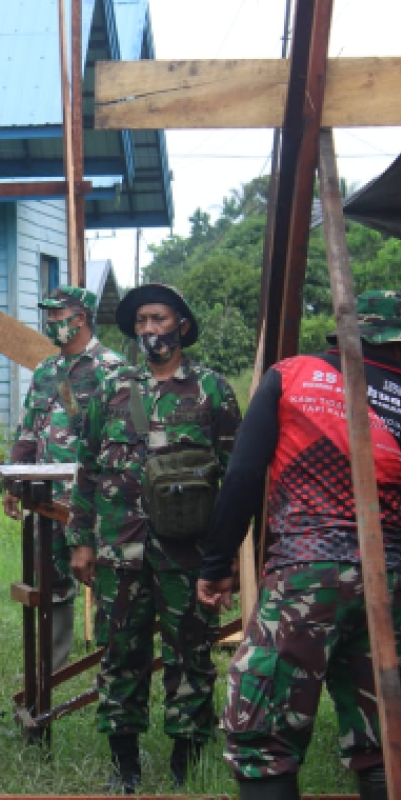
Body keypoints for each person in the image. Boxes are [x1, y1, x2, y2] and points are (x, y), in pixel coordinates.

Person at [196, 290, 401, 800]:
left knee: (262, 731)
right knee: (385, 736)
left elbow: (242, 475)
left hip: (307, 575)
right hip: (391, 579)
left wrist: (217, 563)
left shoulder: (293, 375)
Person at [66, 283, 241, 792]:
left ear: (181, 325)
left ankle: (187, 765)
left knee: (191, 653)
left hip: (188, 553)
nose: (149, 330)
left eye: (159, 319)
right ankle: (126, 768)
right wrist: (81, 540)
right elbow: (87, 469)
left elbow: (235, 478)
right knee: (121, 655)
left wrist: (226, 558)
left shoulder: (212, 390)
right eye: (141, 321)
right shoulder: (111, 390)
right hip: (120, 550)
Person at [7, 286, 125, 671]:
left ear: (83, 317)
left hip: (92, 501)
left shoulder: (112, 369)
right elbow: (29, 430)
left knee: (105, 579)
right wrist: (14, 483)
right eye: (50, 317)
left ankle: (116, 668)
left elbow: (126, 438)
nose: (53, 323)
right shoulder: (46, 371)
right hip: (46, 498)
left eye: (61, 316)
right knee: (51, 583)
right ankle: (52, 670)